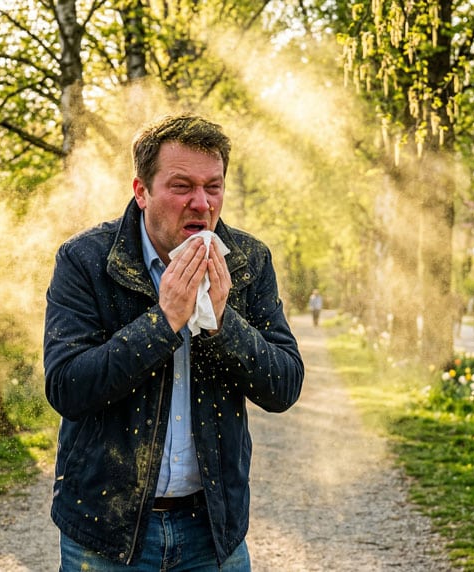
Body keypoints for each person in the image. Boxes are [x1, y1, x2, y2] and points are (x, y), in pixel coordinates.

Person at [43, 113, 305, 571]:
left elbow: (284, 386)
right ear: (141, 191)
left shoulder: (248, 261)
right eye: (181, 186)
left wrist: (224, 322)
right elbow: (67, 387)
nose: (201, 204)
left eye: (213, 187)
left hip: (212, 530)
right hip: (106, 531)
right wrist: (163, 322)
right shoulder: (85, 259)